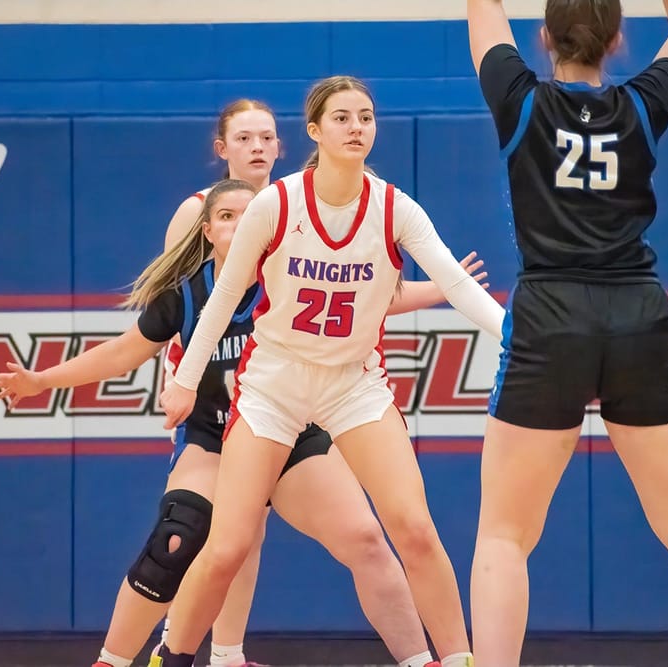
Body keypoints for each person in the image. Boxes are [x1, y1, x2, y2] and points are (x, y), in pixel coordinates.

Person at [0, 179, 484, 667]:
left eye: (250, 214)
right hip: (215, 441)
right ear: (207, 231)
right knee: (179, 538)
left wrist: (448, 285)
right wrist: (41, 380)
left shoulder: (293, 274)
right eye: (226, 216)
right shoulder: (187, 295)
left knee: (367, 539)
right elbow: (121, 353)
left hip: (292, 434)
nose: (241, 224)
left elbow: (370, 295)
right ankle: (117, 660)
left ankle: (420, 660)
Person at [155, 75, 507, 667]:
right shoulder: (276, 204)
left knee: (413, 529)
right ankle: (171, 656)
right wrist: (186, 379)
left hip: (352, 383)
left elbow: (454, 282)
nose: (356, 128)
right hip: (275, 382)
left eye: (365, 117)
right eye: (342, 118)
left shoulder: (394, 208)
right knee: (229, 544)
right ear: (315, 131)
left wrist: (516, 336)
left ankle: (456, 659)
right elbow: (223, 297)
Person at [465, 2, 668, 666]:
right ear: (618, 38)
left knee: (504, 535)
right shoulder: (643, 105)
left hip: (551, 315)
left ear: (544, 36)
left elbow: (482, 8)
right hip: (637, 314)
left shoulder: (520, 99)